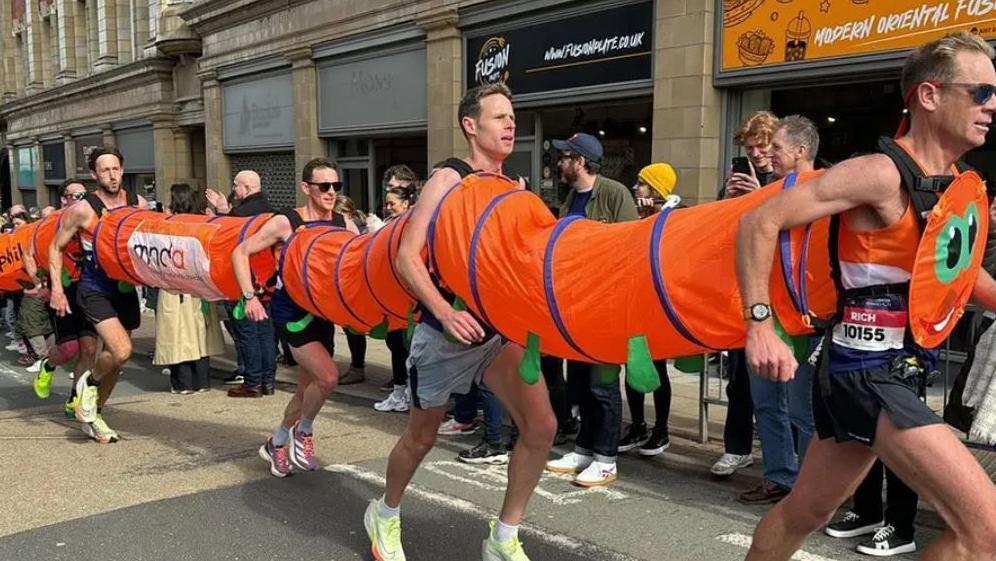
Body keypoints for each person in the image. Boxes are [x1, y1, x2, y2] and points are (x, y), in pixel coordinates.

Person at [738, 33, 996, 560]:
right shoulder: (879, 173)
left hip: (897, 370)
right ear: (929, 95)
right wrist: (759, 323)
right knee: (988, 533)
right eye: (981, 93)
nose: (993, 107)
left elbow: (960, 279)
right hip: (863, 371)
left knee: (805, 512)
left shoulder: (957, 183)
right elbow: (758, 221)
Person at [364, 83, 557, 561]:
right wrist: (447, 311)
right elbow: (409, 258)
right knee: (421, 437)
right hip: (443, 330)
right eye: (499, 117)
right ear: (471, 126)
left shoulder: (513, 187)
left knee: (541, 426)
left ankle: (504, 537)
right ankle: (384, 514)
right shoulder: (447, 178)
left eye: (513, 117)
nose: (511, 125)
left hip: (496, 332)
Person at [232, 157, 359, 477]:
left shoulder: (345, 223)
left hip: (324, 314)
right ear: (306, 187)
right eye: (324, 186)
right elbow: (240, 252)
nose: (331, 192)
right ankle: (303, 432)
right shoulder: (287, 221)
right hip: (292, 314)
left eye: (336, 186)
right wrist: (250, 297)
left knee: (307, 389)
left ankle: (275, 443)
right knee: (328, 377)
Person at [544, 132, 638, 487]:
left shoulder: (615, 194)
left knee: (604, 386)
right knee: (581, 383)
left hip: (607, 308)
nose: (560, 163)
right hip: (576, 307)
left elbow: (632, 248)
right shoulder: (570, 197)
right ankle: (584, 448)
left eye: (565, 157)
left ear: (580, 161)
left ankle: (606, 457)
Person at [738, 115, 820, 506]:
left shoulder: (825, 191)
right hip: (765, 317)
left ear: (800, 152)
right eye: (760, 149)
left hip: (806, 320)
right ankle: (779, 478)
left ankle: (808, 490)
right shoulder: (761, 192)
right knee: (767, 402)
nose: (764, 155)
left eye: (774, 149)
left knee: (803, 410)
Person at [48, 145, 148, 444]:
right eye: (104, 169)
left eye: (115, 168)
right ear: (94, 174)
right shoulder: (82, 210)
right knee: (121, 350)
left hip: (125, 288)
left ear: (122, 169)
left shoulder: (137, 203)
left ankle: (94, 415)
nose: (112, 174)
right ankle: (87, 384)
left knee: (116, 361)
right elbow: (55, 247)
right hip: (94, 289)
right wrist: (56, 289)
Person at [711, 110, 780, 478]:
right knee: (739, 379)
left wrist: (760, 194)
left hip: (779, 295)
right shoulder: (737, 180)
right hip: (743, 291)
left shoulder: (787, 178)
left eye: (762, 146)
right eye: (750, 148)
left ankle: (782, 462)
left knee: (779, 388)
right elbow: (720, 228)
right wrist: (728, 197)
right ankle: (737, 448)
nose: (755, 154)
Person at [618, 164, 678, 457]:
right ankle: (638, 424)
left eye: (641, 184)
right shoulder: (635, 217)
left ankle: (661, 429)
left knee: (658, 367)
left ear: (655, 190)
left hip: (658, 305)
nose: (635, 188)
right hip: (633, 302)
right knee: (633, 364)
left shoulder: (672, 217)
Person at [24, 180, 99, 408]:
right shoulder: (49, 222)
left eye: (82, 194)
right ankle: (48, 365)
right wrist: (40, 285)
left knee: (89, 349)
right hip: (62, 291)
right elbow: (28, 253)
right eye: (74, 195)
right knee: (69, 349)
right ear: (63, 199)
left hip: (87, 289)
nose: (79, 199)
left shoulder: (90, 217)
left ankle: (74, 399)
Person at [208, 171, 279, 398]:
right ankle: (268, 381)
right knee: (265, 332)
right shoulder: (273, 212)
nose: (234, 190)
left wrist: (221, 214)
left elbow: (223, 244)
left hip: (243, 282)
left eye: (236, 186)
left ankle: (252, 382)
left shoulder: (238, 214)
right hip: (267, 281)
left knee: (247, 332)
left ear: (247, 188)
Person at [153, 184, 226, 394]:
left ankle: (182, 383)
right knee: (199, 332)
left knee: (177, 333)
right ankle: (202, 380)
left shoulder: (167, 226)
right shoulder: (202, 224)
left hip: (173, 285)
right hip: (199, 286)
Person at [373, 186, 418, 413]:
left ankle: (406, 393)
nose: (388, 207)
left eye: (392, 203)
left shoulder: (411, 227)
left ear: (406, 204)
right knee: (396, 345)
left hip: (407, 298)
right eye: (386, 203)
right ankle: (400, 392)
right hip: (392, 297)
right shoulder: (393, 225)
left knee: (405, 347)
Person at [334, 194, 370, 386]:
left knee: (353, 328)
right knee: (350, 328)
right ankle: (357, 367)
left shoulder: (352, 228)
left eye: (340, 212)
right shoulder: (353, 227)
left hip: (353, 286)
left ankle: (358, 368)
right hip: (347, 285)